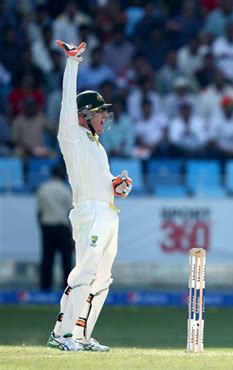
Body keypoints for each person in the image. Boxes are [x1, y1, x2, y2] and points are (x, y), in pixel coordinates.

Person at [47, 40, 133, 352]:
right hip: (89, 213)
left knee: (102, 279)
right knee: (84, 273)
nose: (104, 118)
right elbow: (66, 103)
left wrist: (117, 185)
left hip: (108, 213)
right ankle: (62, 334)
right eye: (99, 113)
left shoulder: (96, 145)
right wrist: (73, 63)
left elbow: (103, 181)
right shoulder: (71, 135)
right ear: (84, 114)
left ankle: (82, 335)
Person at [36, 163, 73, 290]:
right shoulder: (65, 190)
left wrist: (42, 228)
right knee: (66, 261)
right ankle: (67, 288)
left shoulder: (43, 188)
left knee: (47, 259)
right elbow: (70, 214)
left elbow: (39, 212)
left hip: (48, 227)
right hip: (62, 228)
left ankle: (45, 288)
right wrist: (73, 234)